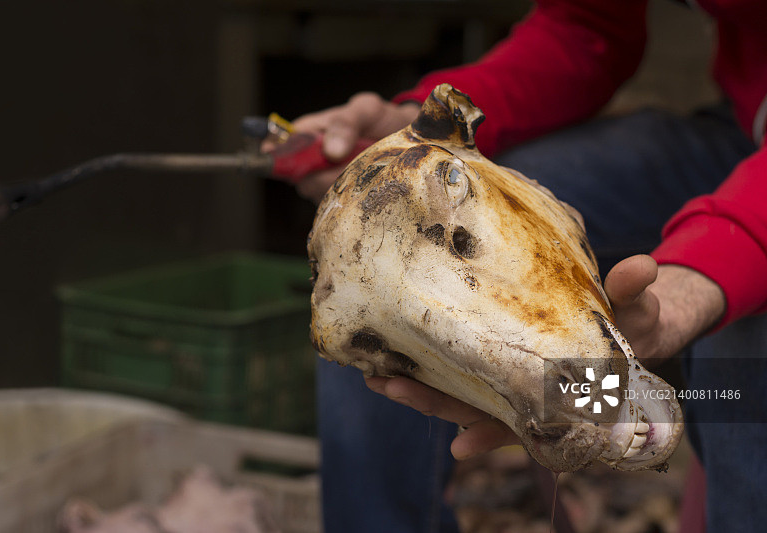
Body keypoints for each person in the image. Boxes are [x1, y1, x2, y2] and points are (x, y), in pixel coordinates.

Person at [276, 1, 767, 531]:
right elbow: (586, 28)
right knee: (372, 264)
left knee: (741, 351)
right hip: (743, 125)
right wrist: (416, 128)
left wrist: (690, 288)